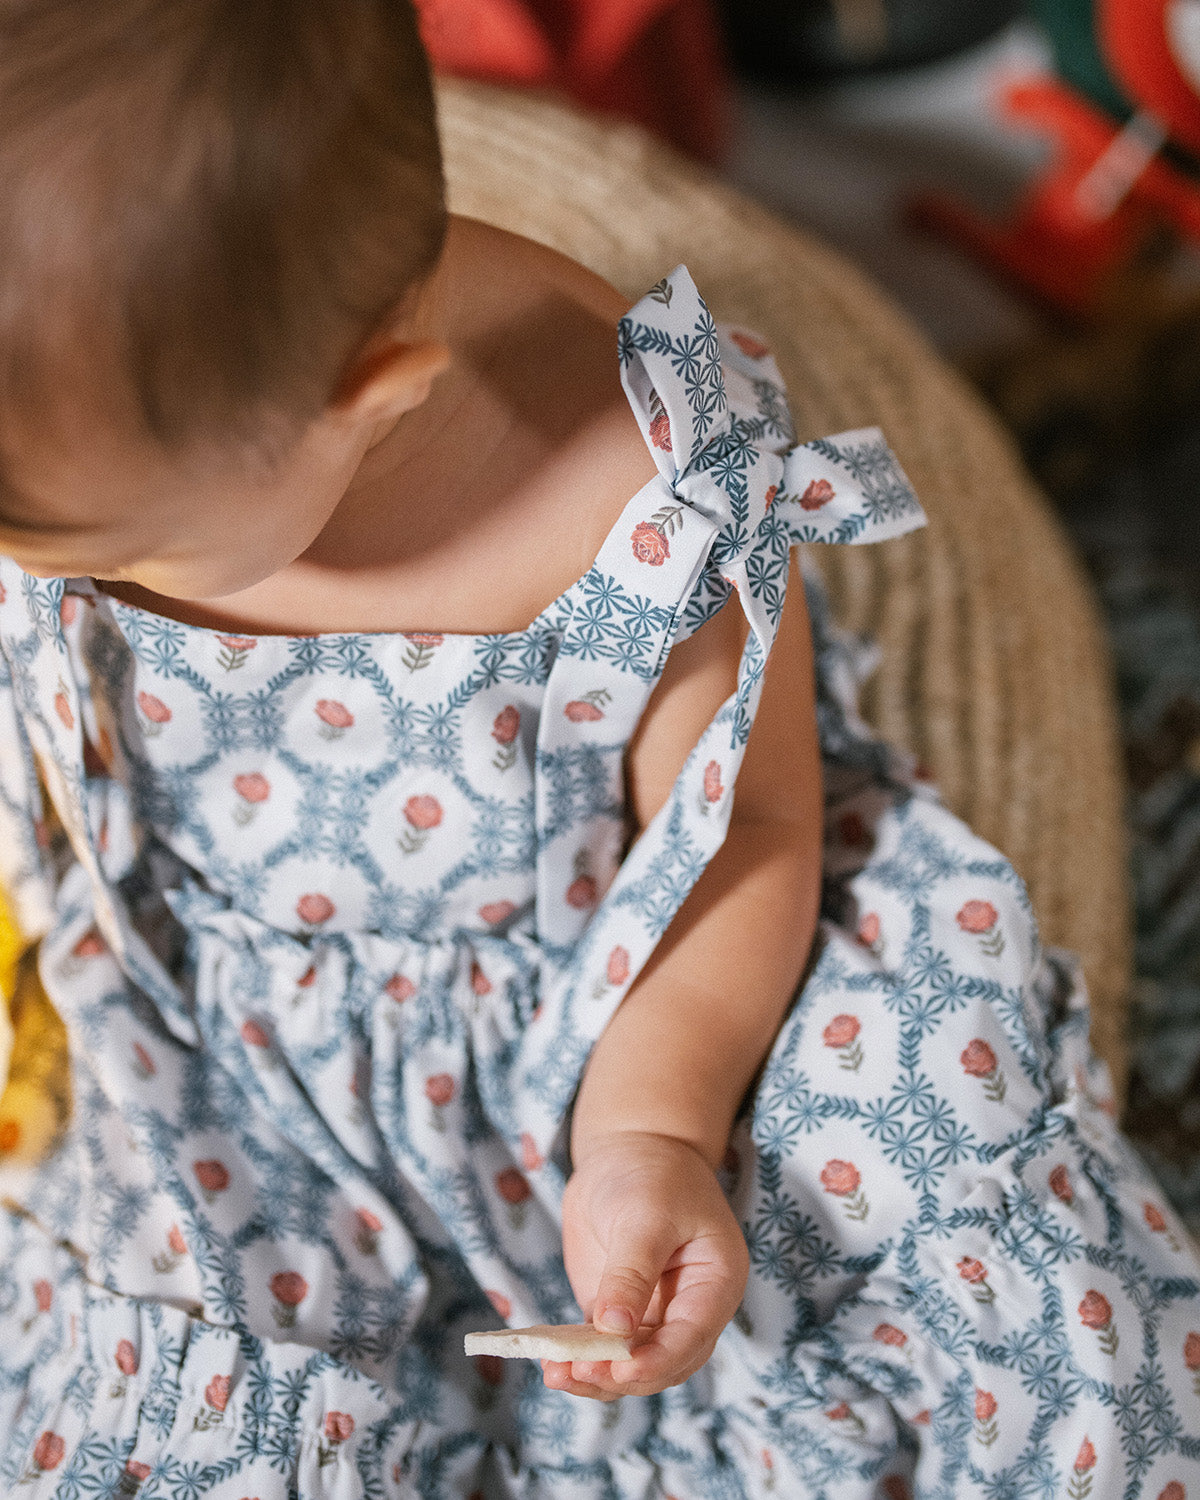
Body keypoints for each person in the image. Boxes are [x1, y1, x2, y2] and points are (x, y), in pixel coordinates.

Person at [0, 2, 1195, 1497]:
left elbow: (753, 825)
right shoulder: (110, 423)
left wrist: (652, 1125)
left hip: (608, 986)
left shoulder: (637, 492)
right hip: (219, 1051)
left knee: (921, 1134)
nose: (57, 583)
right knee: (182, 1407)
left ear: (369, 398)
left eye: (127, 550)